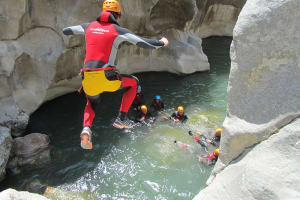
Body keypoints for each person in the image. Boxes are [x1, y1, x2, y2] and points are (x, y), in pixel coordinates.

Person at [63, 0, 169, 149]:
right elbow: (143, 43)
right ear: (117, 16)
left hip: (87, 79)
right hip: (106, 77)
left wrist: (88, 30)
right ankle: (121, 118)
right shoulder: (117, 30)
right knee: (134, 83)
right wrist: (162, 42)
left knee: (91, 102)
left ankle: (86, 129)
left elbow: (66, 30)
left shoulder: (88, 27)